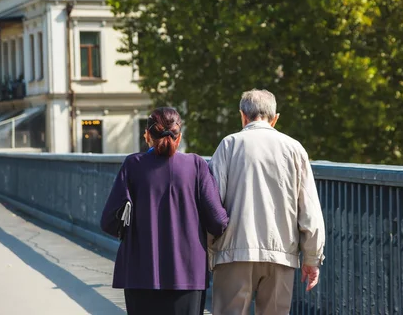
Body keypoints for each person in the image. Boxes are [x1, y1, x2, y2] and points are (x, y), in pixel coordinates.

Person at [101, 107, 229, 315]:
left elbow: (108, 221)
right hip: (188, 274)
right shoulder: (196, 165)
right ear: (179, 137)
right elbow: (217, 221)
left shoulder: (133, 165)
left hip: (140, 273)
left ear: (147, 136)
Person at [209, 89, 326, 315]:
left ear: (242, 115)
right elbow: (309, 209)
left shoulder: (229, 145)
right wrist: (311, 257)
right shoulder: (294, 148)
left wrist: (208, 249)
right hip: (281, 254)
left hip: (234, 253)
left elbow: (212, 203)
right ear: (275, 118)